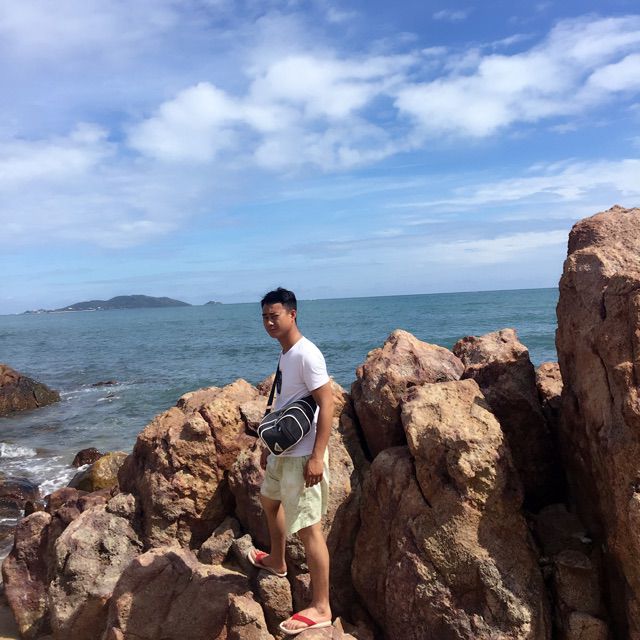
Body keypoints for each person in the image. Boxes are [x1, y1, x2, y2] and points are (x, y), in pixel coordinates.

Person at [248, 287, 334, 636]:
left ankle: (322, 607)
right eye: (265, 317)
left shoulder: (307, 354)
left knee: (310, 529)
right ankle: (278, 560)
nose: (269, 322)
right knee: (269, 500)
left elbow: (328, 404)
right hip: (285, 451)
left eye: (275, 316)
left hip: (303, 457)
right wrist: (271, 446)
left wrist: (317, 457)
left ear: (292, 314)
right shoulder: (286, 353)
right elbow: (286, 403)